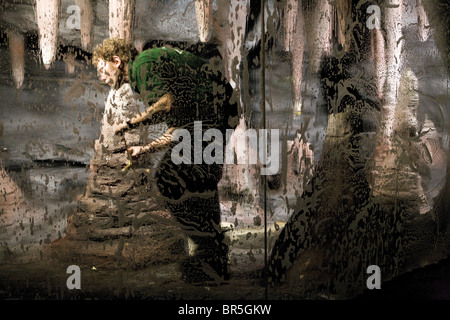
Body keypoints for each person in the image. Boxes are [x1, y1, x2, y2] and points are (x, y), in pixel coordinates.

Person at [92, 38, 239, 284]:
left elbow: (166, 104)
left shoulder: (143, 65)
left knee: (167, 178)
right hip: (220, 111)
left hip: (213, 113)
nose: (101, 76)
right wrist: (145, 148)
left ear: (116, 61)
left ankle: (209, 252)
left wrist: (129, 124)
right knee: (200, 182)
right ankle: (213, 261)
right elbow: (176, 124)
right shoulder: (149, 71)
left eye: (102, 68)